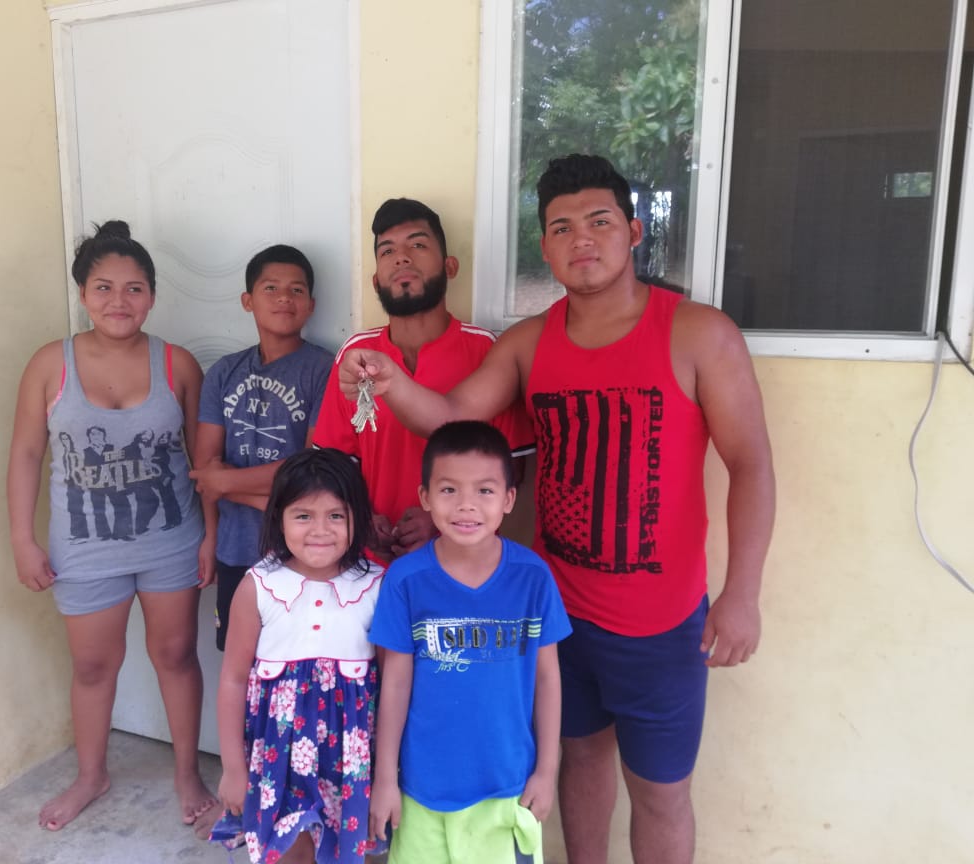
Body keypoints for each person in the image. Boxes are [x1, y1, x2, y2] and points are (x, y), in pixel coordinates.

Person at [338, 155, 776, 864]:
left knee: (662, 793)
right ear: (544, 246)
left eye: (600, 221)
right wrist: (388, 381)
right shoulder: (529, 343)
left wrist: (743, 594)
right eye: (562, 227)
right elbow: (449, 417)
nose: (582, 239)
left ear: (634, 230)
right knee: (579, 767)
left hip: (662, 621)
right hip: (554, 614)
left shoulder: (699, 333)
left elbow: (751, 464)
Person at [7, 220, 219, 831]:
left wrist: (209, 534)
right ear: (82, 294)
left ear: (151, 296)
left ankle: (187, 773)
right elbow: (26, 454)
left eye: (133, 288)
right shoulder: (50, 364)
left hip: (171, 540)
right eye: (103, 287)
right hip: (83, 547)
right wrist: (23, 540)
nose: (118, 301)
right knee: (93, 667)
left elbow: (203, 461)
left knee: (175, 655)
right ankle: (91, 775)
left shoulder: (177, 364)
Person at [368, 421, 570, 864]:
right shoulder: (405, 580)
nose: (466, 505)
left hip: (508, 788)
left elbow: (548, 678)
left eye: (484, 490)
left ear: (509, 499)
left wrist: (546, 771)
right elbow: (394, 684)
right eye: (448, 490)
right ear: (425, 498)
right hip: (424, 790)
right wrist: (385, 780)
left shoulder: (532, 577)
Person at [312, 198, 533, 562]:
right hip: (372, 569)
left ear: (450, 266)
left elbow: (515, 470)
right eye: (387, 251)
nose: (401, 258)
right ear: (376, 281)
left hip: (463, 564)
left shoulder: (488, 352)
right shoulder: (356, 355)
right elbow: (332, 465)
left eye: (417, 244)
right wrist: (358, 517)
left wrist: (444, 519)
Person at [206, 448, 387, 864]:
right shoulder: (259, 586)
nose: (320, 530)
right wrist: (233, 768)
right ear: (279, 519)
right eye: (303, 515)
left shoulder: (377, 587)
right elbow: (233, 679)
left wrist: (386, 775)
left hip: (350, 759)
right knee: (287, 850)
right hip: (277, 757)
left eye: (336, 515)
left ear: (357, 518)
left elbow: (391, 682)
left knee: (346, 852)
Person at [193, 244, 333, 652]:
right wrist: (210, 538)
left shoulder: (325, 369)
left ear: (311, 305)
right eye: (271, 288)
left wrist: (226, 483)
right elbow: (205, 471)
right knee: (239, 661)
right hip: (235, 547)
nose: (284, 298)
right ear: (247, 300)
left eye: (296, 290)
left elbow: (312, 469)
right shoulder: (223, 372)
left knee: (295, 660)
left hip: (300, 551)